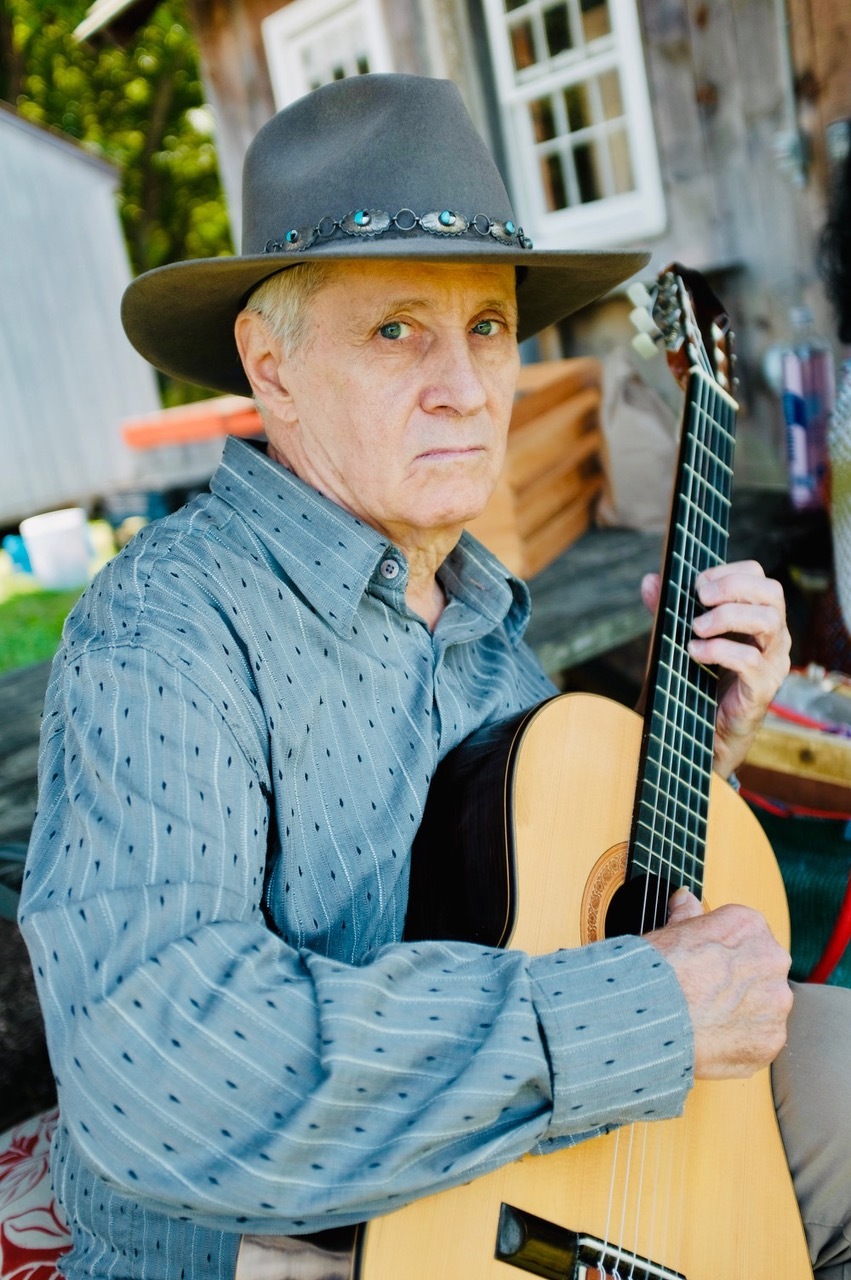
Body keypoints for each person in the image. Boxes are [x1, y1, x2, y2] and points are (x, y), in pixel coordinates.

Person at [18, 74, 851, 1280]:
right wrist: (643, 1013)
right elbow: (165, 1065)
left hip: (514, 1147)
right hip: (279, 1236)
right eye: (396, 327)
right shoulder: (165, 630)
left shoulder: (472, 609)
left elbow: (525, 880)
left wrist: (693, 752)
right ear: (273, 365)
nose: (465, 385)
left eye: (488, 327)